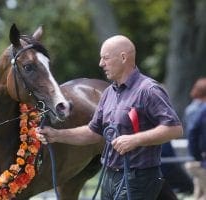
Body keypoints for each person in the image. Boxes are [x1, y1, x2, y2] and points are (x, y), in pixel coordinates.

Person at [36, 35, 183, 200]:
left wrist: (135, 140)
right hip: (110, 176)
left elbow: (174, 129)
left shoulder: (148, 90)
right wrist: (57, 135)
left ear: (123, 57)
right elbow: (93, 132)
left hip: (139, 176)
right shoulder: (109, 93)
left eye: (105, 58)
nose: (101, 63)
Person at [184, 78, 206, 200]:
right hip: (201, 156)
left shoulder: (190, 108)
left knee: (199, 192)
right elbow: (194, 132)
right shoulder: (202, 109)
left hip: (195, 154)